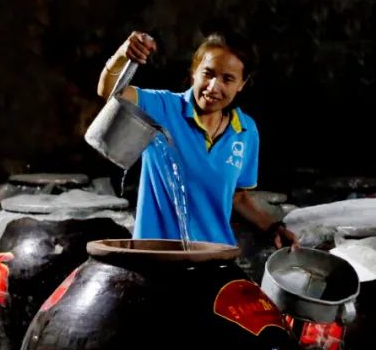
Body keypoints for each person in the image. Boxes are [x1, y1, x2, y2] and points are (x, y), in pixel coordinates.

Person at [97, 31, 296, 248]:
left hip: (214, 255)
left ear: (241, 83)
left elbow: (237, 197)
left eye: (227, 79)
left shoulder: (245, 131)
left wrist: (273, 227)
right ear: (194, 72)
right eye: (208, 74)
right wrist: (122, 55)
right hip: (155, 254)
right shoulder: (164, 108)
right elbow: (109, 92)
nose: (213, 87)